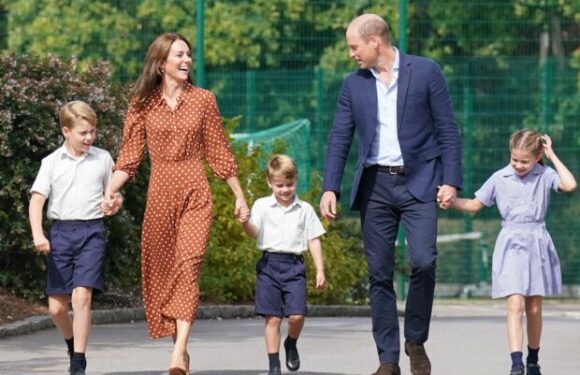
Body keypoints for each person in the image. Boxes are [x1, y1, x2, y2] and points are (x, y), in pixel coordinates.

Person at [319, 13, 462, 375]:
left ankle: (415, 338)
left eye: (354, 46)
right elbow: (340, 136)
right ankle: (388, 359)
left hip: (420, 181)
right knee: (379, 274)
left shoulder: (426, 71)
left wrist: (450, 181)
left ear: (375, 42)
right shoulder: (354, 85)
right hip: (376, 187)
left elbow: (448, 129)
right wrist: (330, 187)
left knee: (424, 261)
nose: (351, 54)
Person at [103, 32, 248, 375]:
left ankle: (178, 352)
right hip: (160, 196)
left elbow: (218, 151)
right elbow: (129, 157)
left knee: (189, 266)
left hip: (196, 192)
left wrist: (240, 195)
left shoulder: (204, 100)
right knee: (165, 273)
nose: (186, 61)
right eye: (179, 55)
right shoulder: (142, 104)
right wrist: (111, 190)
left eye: (189, 55)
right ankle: (179, 349)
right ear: (161, 62)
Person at [450, 130, 576, 375]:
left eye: (524, 161)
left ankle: (533, 359)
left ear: (537, 156)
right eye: (514, 159)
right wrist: (450, 200)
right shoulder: (500, 177)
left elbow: (570, 184)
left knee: (535, 308)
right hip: (510, 244)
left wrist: (551, 154)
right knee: (514, 304)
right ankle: (516, 362)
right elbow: (475, 205)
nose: (518, 165)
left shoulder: (546, 174)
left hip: (537, 242)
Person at [28, 100, 122, 375]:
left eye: (92, 131)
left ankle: (78, 361)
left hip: (92, 232)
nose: (89, 137)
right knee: (57, 309)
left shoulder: (103, 158)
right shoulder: (51, 162)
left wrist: (114, 203)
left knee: (81, 296)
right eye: (83, 133)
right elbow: (36, 201)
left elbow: (114, 195)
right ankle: (71, 344)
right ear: (66, 131)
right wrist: (38, 234)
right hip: (60, 233)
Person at [240, 154, 326, 375]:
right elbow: (253, 232)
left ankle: (291, 343)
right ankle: (274, 365)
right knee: (273, 319)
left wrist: (320, 270)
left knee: (297, 316)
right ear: (270, 183)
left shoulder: (304, 209)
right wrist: (244, 223)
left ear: (295, 180)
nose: (285, 190)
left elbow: (313, 239)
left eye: (289, 184)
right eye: (279, 185)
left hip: (294, 266)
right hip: (269, 265)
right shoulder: (262, 205)